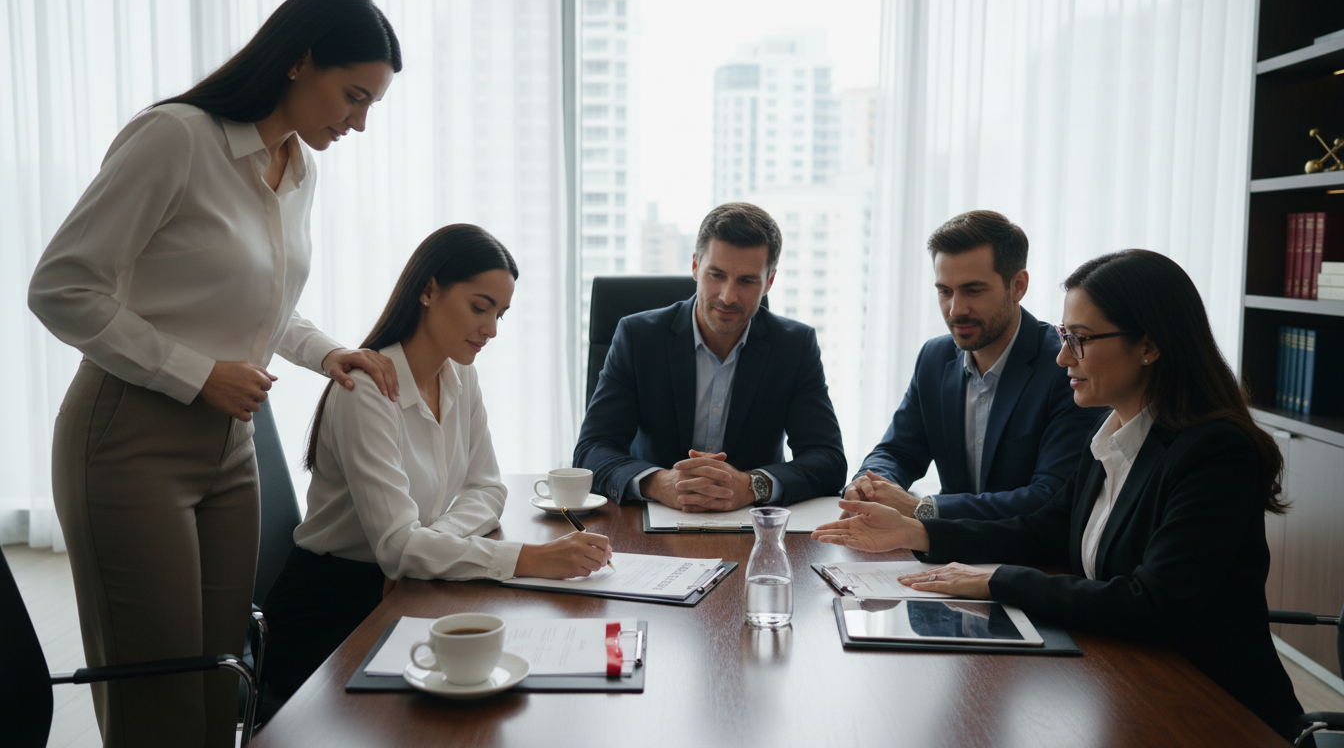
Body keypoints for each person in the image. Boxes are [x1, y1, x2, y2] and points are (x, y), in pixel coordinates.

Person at [26, 0, 402, 746]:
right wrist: (197, 374)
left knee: (221, 682)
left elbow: (258, 304)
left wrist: (324, 351)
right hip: (129, 441)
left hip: (229, 449)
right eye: (352, 95)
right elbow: (61, 288)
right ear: (300, 61)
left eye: (371, 105)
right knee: (158, 701)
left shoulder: (296, 170)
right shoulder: (176, 138)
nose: (359, 122)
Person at [813, 249, 1305, 740]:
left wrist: (996, 580)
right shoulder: (1115, 430)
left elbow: (1152, 603)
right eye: (1066, 336)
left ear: (1149, 346)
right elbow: (1046, 528)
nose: (1062, 356)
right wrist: (917, 531)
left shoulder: (1214, 452)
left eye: (1081, 340)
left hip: (1214, 710)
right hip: (1126, 680)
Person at [261, 225, 613, 716]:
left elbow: (487, 489)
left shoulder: (459, 374)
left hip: (403, 587)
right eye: (479, 306)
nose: (491, 328)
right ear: (428, 290)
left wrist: (432, 542)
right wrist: (531, 558)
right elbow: (399, 548)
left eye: (500, 313)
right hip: (331, 612)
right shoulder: (367, 391)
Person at [574, 202, 846, 511]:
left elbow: (829, 460)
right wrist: (658, 482)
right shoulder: (637, 337)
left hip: (752, 523)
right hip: (653, 521)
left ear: (769, 281)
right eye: (716, 274)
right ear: (695, 266)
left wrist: (752, 485)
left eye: (747, 280)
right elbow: (591, 451)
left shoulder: (794, 346)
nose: (728, 296)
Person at [845, 210, 1105, 522]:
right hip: (947, 555)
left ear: (1018, 286)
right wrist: (870, 486)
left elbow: (1051, 497)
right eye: (945, 291)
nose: (955, 310)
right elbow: (898, 451)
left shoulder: (1067, 366)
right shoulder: (935, 357)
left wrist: (925, 509)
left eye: (973, 290)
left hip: (1030, 560)